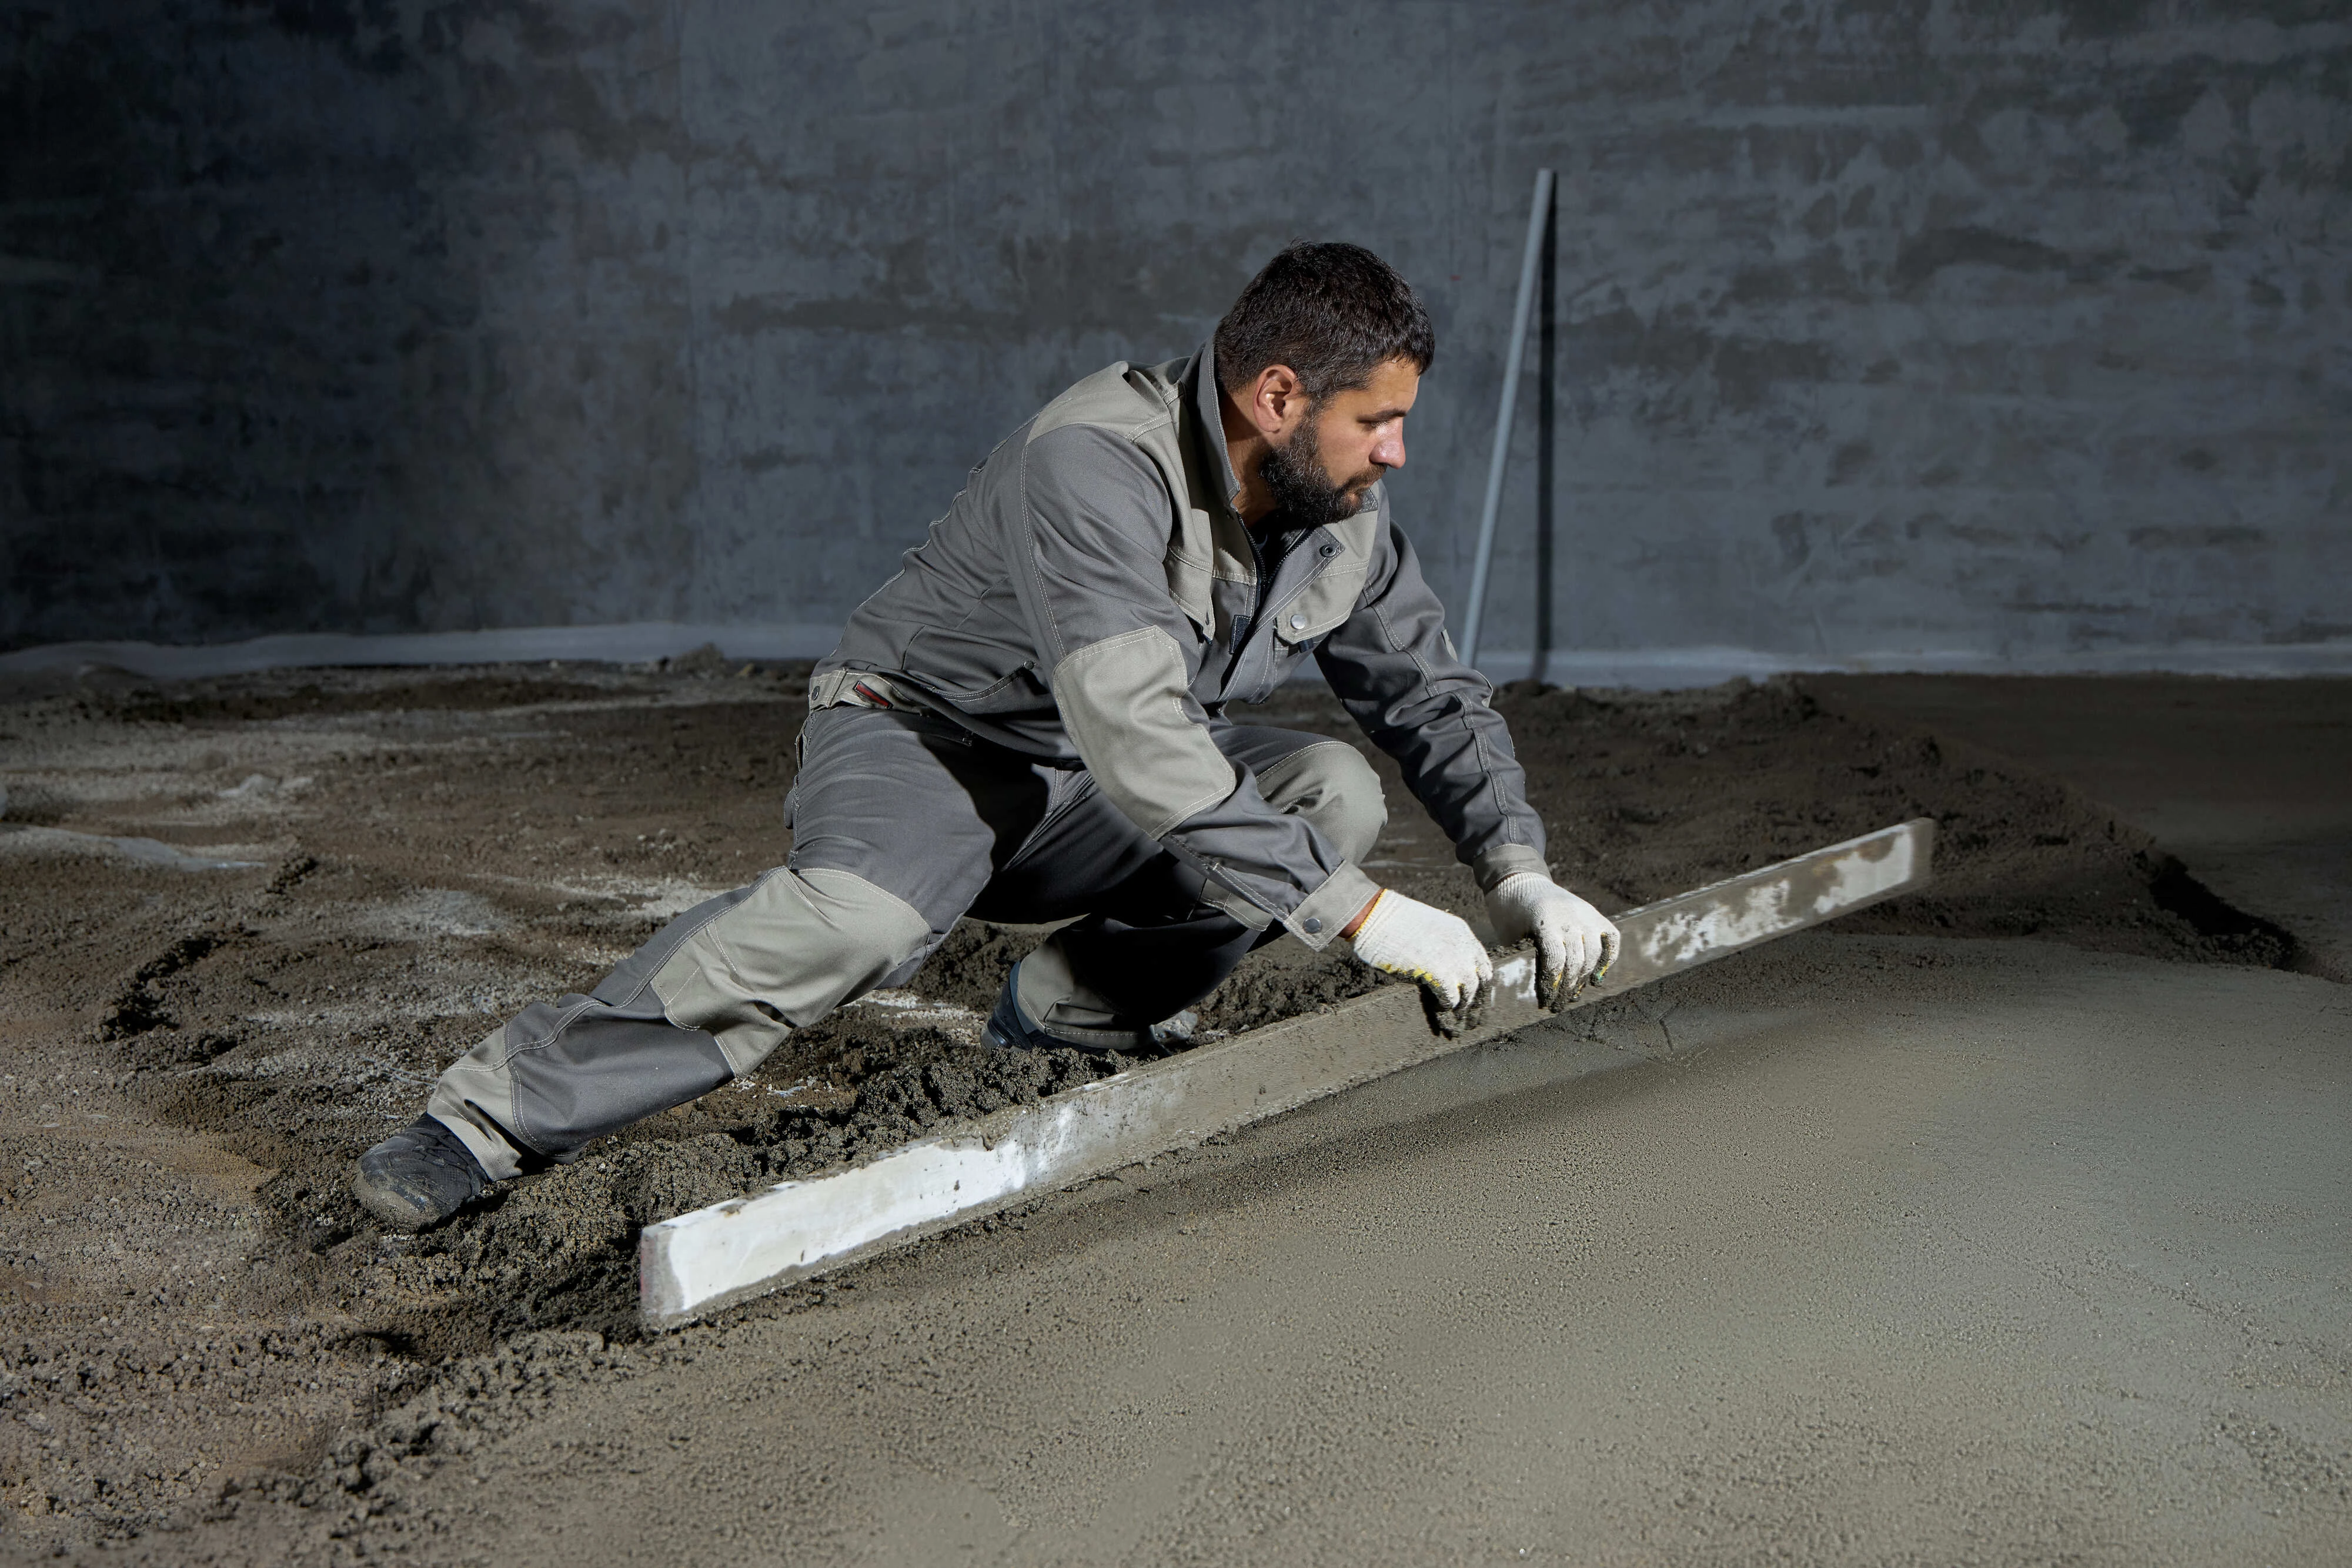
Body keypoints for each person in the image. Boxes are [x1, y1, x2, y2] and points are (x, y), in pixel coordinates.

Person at [352, 241, 1621, 1231]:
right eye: (1375, 421)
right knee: (853, 927)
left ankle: (1067, 1020)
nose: (1396, 453)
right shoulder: (1096, 461)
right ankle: (488, 1119)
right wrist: (1361, 915)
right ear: (1277, 395)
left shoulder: (1341, 514)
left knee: (1329, 787)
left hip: (1087, 785)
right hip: (928, 745)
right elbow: (1141, 737)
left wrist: (1517, 870)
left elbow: (1430, 696)